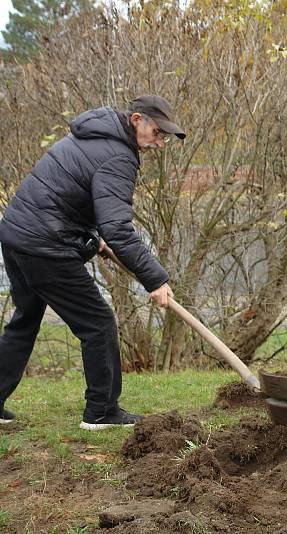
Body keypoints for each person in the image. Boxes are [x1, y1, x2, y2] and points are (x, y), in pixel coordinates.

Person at [0, 95, 185, 430]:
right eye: (157, 133)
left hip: (17, 235)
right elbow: (117, 227)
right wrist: (155, 279)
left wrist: (89, 234)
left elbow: (67, 192)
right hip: (45, 247)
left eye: (165, 138)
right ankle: (101, 411)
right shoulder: (118, 156)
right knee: (98, 324)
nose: (159, 143)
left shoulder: (93, 134)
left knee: (24, 321)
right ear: (136, 119)